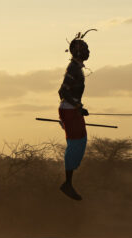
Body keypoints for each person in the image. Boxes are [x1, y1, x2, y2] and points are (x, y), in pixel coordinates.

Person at [58, 29, 96, 200]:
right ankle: (67, 184)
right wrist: (77, 107)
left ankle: (68, 183)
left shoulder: (76, 68)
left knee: (79, 142)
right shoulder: (73, 68)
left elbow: (70, 94)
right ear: (79, 51)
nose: (89, 52)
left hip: (71, 110)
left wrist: (79, 107)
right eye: (86, 49)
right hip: (69, 110)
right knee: (76, 144)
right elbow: (63, 92)